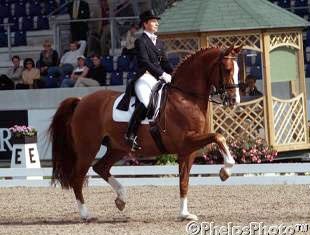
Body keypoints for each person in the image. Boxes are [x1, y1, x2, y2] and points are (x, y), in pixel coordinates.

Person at [122, 10, 173, 151]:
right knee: (145, 103)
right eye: (153, 21)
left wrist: (174, 73)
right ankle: (130, 135)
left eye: (157, 21)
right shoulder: (140, 41)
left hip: (158, 78)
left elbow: (166, 62)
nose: (156, 23)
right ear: (145, 24)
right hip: (144, 77)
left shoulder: (160, 43)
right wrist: (162, 74)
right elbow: (144, 62)